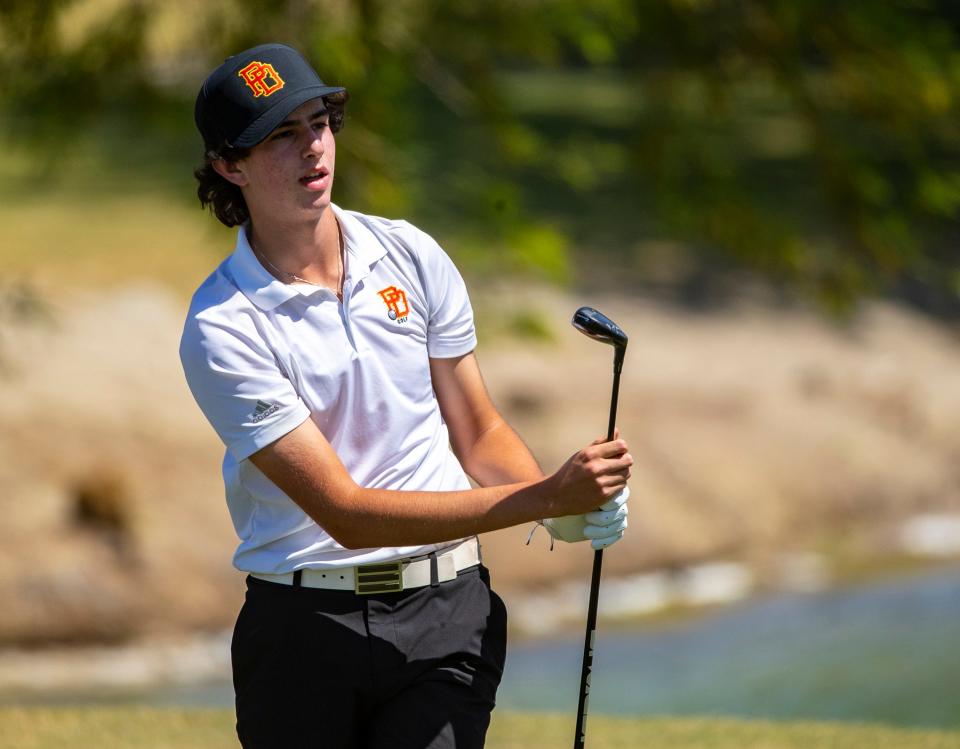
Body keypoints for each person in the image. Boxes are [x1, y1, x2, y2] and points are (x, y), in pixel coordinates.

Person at [180, 43, 632, 749]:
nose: (313, 148)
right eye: (282, 135)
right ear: (228, 165)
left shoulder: (411, 254)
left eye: (319, 122)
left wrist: (563, 513)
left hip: (449, 614)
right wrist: (545, 499)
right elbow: (347, 513)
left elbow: (477, 432)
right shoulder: (222, 325)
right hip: (302, 633)